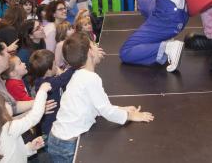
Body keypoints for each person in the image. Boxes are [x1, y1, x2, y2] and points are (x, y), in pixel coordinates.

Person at [48, 34, 154, 162]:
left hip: (57, 138)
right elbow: (106, 111)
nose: (98, 47)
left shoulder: (78, 75)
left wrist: (122, 108)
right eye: (95, 45)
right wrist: (131, 116)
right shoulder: (91, 78)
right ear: (90, 52)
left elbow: (95, 105)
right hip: (67, 145)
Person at [28, 49, 76, 140]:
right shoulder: (48, 84)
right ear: (47, 70)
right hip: (50, 127)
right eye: (54, 64)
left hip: (52, 122)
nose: (56, 66)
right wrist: (75, 66)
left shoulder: (43, 80)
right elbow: (63, 79)